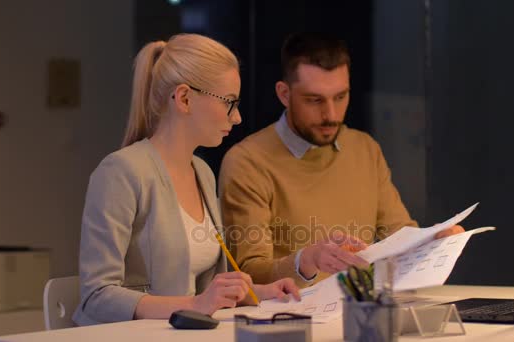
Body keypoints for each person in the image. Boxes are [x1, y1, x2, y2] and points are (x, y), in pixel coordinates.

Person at [73, 34, 299, 326]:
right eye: (229, 102)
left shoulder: (202, 172)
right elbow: (96, 296)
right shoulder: (120, 172)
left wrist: (261, 292)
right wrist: (195, 304)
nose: (238, 117)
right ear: (184, 98)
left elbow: (204, 289)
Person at [218, 32, 464, 288]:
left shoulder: (364, 148)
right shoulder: (247, 161)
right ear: (284, 94)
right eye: (314, 100)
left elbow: (397, 235)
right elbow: (249, 273)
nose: (331, 115)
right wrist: (307, 261)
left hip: (362, 309)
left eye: (340, 97)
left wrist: (433, 240)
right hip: (291, 316)